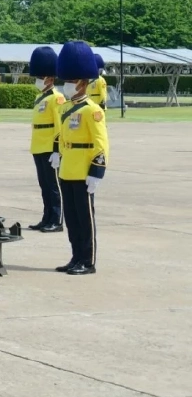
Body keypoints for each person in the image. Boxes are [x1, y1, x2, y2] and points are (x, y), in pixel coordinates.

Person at [54, 41, 110, 275]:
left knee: (85, 220)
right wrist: (57, 152)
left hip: (84, 170)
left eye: (71, 80)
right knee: (72, 219)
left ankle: (88, 261)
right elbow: (62, 134)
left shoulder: (92, 110)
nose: (67, 84)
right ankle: (76, 256)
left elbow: (101, 143)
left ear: (83, 82)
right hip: (67, 169)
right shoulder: (65, 107)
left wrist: (97, 171)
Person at [27, 45, 65, 233]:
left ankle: (57, 219)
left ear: (50, 78)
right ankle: (46, 217)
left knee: (53, 186)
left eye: (41, 77)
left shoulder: (56, 98)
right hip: (38, 146)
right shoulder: (40, 97)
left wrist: (58, 150)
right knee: (44, 185)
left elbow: (59, 126)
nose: (38, 81)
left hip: (50, 147)